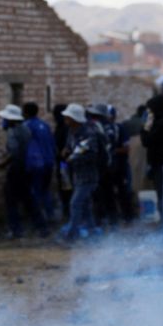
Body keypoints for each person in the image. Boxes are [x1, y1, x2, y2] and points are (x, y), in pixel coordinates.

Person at [0, 104, 48, 239]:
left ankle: (16, 230)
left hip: (16, 170)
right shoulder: (25, 129)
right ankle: (41, 227)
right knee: (29, 200)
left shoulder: (13, 132)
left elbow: (13, 152)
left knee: (11, 201)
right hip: (27, 169)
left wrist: (3, 163)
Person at [59, 103, 104, 241]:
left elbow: (90, 153)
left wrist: (72, 157)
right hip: (78, 175)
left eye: (68, 117)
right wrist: (66, 151)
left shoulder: (88, 134)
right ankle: (91, 231)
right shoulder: (72, 131)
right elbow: (69, 146)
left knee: (75, 203)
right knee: (84, 204)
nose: (65, 119)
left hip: (88, 176)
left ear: (74, 118)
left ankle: (72, 235)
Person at [140, 95, 163, 244]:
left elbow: (147, 141)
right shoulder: (159, 122)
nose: (150, 113)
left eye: (151, 110)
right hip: (158, 166)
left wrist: (145, 128)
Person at [22, 102, 57, 222]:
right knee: (45, 190)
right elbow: (52, 143)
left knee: (35, 191)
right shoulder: (45, 125)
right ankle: (50, 213)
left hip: (37, 164)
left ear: (25, 112)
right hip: (49, 161)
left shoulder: (26, 126)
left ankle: (39, 220)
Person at [52, 104, 74, 219]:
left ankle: (69, 215)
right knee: (66, 189)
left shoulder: (64, 128)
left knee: (66, 190)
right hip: (64, 163)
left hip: (65, 164)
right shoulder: (62, 127)